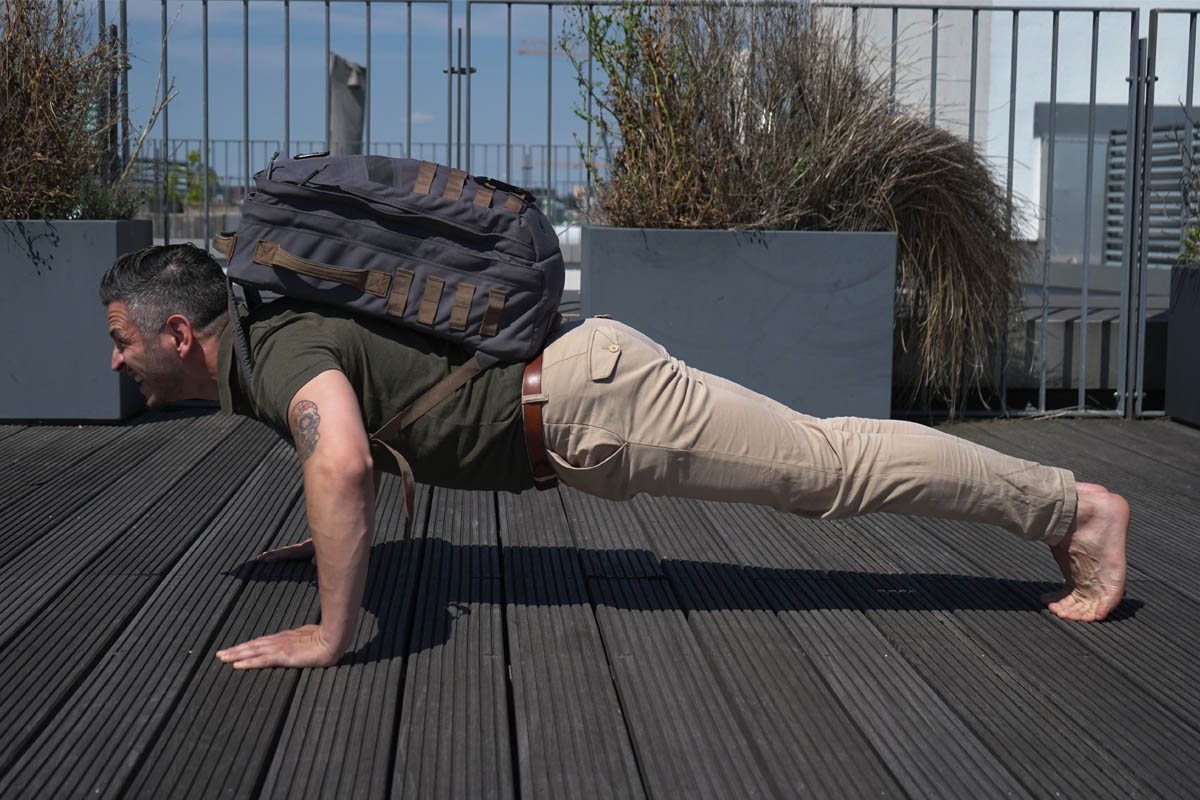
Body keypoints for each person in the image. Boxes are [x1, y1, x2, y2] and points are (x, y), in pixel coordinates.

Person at [99, 243, 1129, 670]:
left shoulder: (275, 350)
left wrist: (331, 629)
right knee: (828, 466)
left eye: (121, 338)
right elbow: (356, 434)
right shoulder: (268, 342)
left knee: (830, 467)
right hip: (582, 400)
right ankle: (1059, 508)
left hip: (599, 404)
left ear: (180, 336)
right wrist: (322, 543)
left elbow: (344, 463)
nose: (116, 357)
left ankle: (1069, 508)